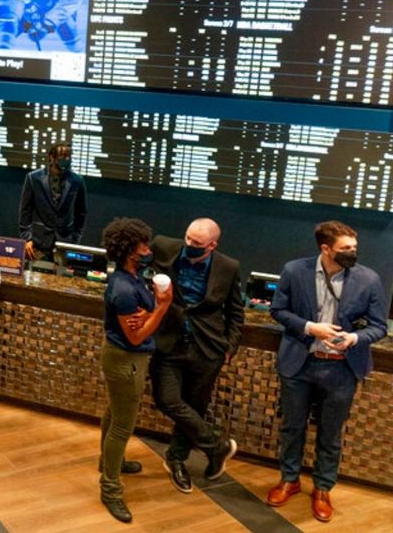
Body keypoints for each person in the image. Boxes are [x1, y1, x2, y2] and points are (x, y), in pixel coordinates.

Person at [267, 221, 388, 522]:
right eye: (345, 249)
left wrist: (355, 338)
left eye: (354, 248)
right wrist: (311, 328)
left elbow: (379, 327)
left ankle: (322, 488)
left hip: (342, 369)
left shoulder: (369, 279)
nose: (352, 253)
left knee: (331, 433)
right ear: (325, 249)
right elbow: (278, 311)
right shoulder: (295, 271)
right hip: (300, 363)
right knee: (292, 427)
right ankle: (289, 480)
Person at [149, 219, 241, 494]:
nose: (189, 245)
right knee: (166, 399)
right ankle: (216, 445)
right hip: (168, 342)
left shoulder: (228, 267)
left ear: (212, 245)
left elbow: (235, 312)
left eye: (197, 243)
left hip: (207, 347)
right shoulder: (164, 247)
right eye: (188, 238)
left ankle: (176, 459)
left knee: (195, 406)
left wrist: (229, 347)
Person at [97, 217, 173, 523]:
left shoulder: (131, 278)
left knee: (114, 412)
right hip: (126, 360)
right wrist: (162, 307)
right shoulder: (124, 289)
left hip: (125, 358)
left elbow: (142, 321)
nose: (147, 248)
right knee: (122, 426)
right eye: (142, 244)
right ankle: (110, 489)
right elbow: (137, 335)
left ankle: (108, 464)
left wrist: (149, 312)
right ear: (130, 250)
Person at [17, 141, 87, 260]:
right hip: (38, 242)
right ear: (51, 157)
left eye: (69, 157)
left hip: (65, 243)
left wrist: (75, 239)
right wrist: (26, 238)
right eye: (62, 156)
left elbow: (81, 212)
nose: (66, 159)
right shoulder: (33, 178)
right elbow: (25, 210)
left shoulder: (77, 181)